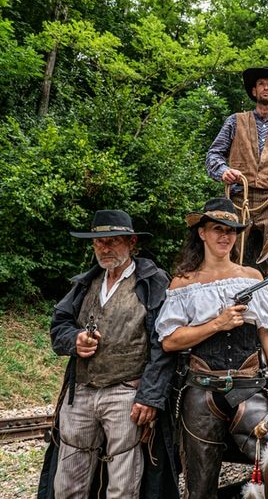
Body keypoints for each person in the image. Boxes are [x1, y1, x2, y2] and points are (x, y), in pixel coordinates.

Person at [155, 198, 268, 498]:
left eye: (231, 230)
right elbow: (169, 340)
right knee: (200, 487)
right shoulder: (184, 283)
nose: (225, 236)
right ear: (202, 233)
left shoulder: (251, 277)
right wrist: (217, 323)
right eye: (217, 229)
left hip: (248, 387)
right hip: (201, 392)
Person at [42, 210, 177, 499]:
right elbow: (59, 327)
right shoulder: (85, 283)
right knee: (67, 483)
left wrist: (150, 396)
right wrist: (74, 341)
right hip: (81, 392)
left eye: (113, 241)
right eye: (98, 242)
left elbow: (164, 344)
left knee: (123, 485)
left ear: (131, 243)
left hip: (127, 393)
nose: (104, 248)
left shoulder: (153, 282)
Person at [205, 67, 268, 264]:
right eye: (261, 84)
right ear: (254, 91)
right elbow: (213, 154)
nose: (266, 88)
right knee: (230, 253)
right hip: (238, 197)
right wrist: (223, 171)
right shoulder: (235, 122)